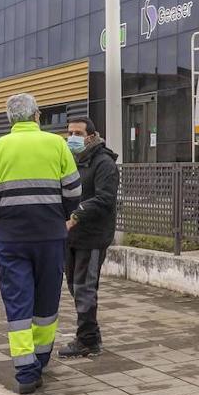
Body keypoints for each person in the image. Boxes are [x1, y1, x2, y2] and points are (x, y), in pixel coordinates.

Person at [0, 93, 81, 394]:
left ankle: (26, 372)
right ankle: (42, 356)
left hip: (12, 239)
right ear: (38, 115)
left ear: (10, 119)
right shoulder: (57, 144)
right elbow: (74, 191)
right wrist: (58, 215)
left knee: (18, 301)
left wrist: (1, 221)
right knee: (47, 301)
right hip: (51, 236)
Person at [59, 117, 120, 359]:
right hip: (71, 237)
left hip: (92, 236)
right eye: (70, 133)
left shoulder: (104, 163)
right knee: (75, 285)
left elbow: (105, 199)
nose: (72, 138)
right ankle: (91, 334)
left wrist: (76, 215)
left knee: (85, 287)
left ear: (91, 136)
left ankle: (87, 340)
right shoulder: (71, 161)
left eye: (78, 133)